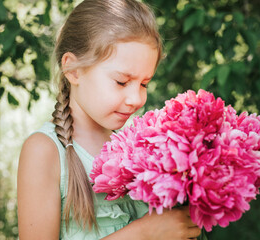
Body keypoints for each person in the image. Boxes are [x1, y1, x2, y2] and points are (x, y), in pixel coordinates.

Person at [17, 0, 202, 239]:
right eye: (122, 82)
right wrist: (144, 234)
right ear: (73, 70)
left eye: (144, 83)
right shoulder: (45, 151)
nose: (136, 99)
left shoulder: (137, 148)